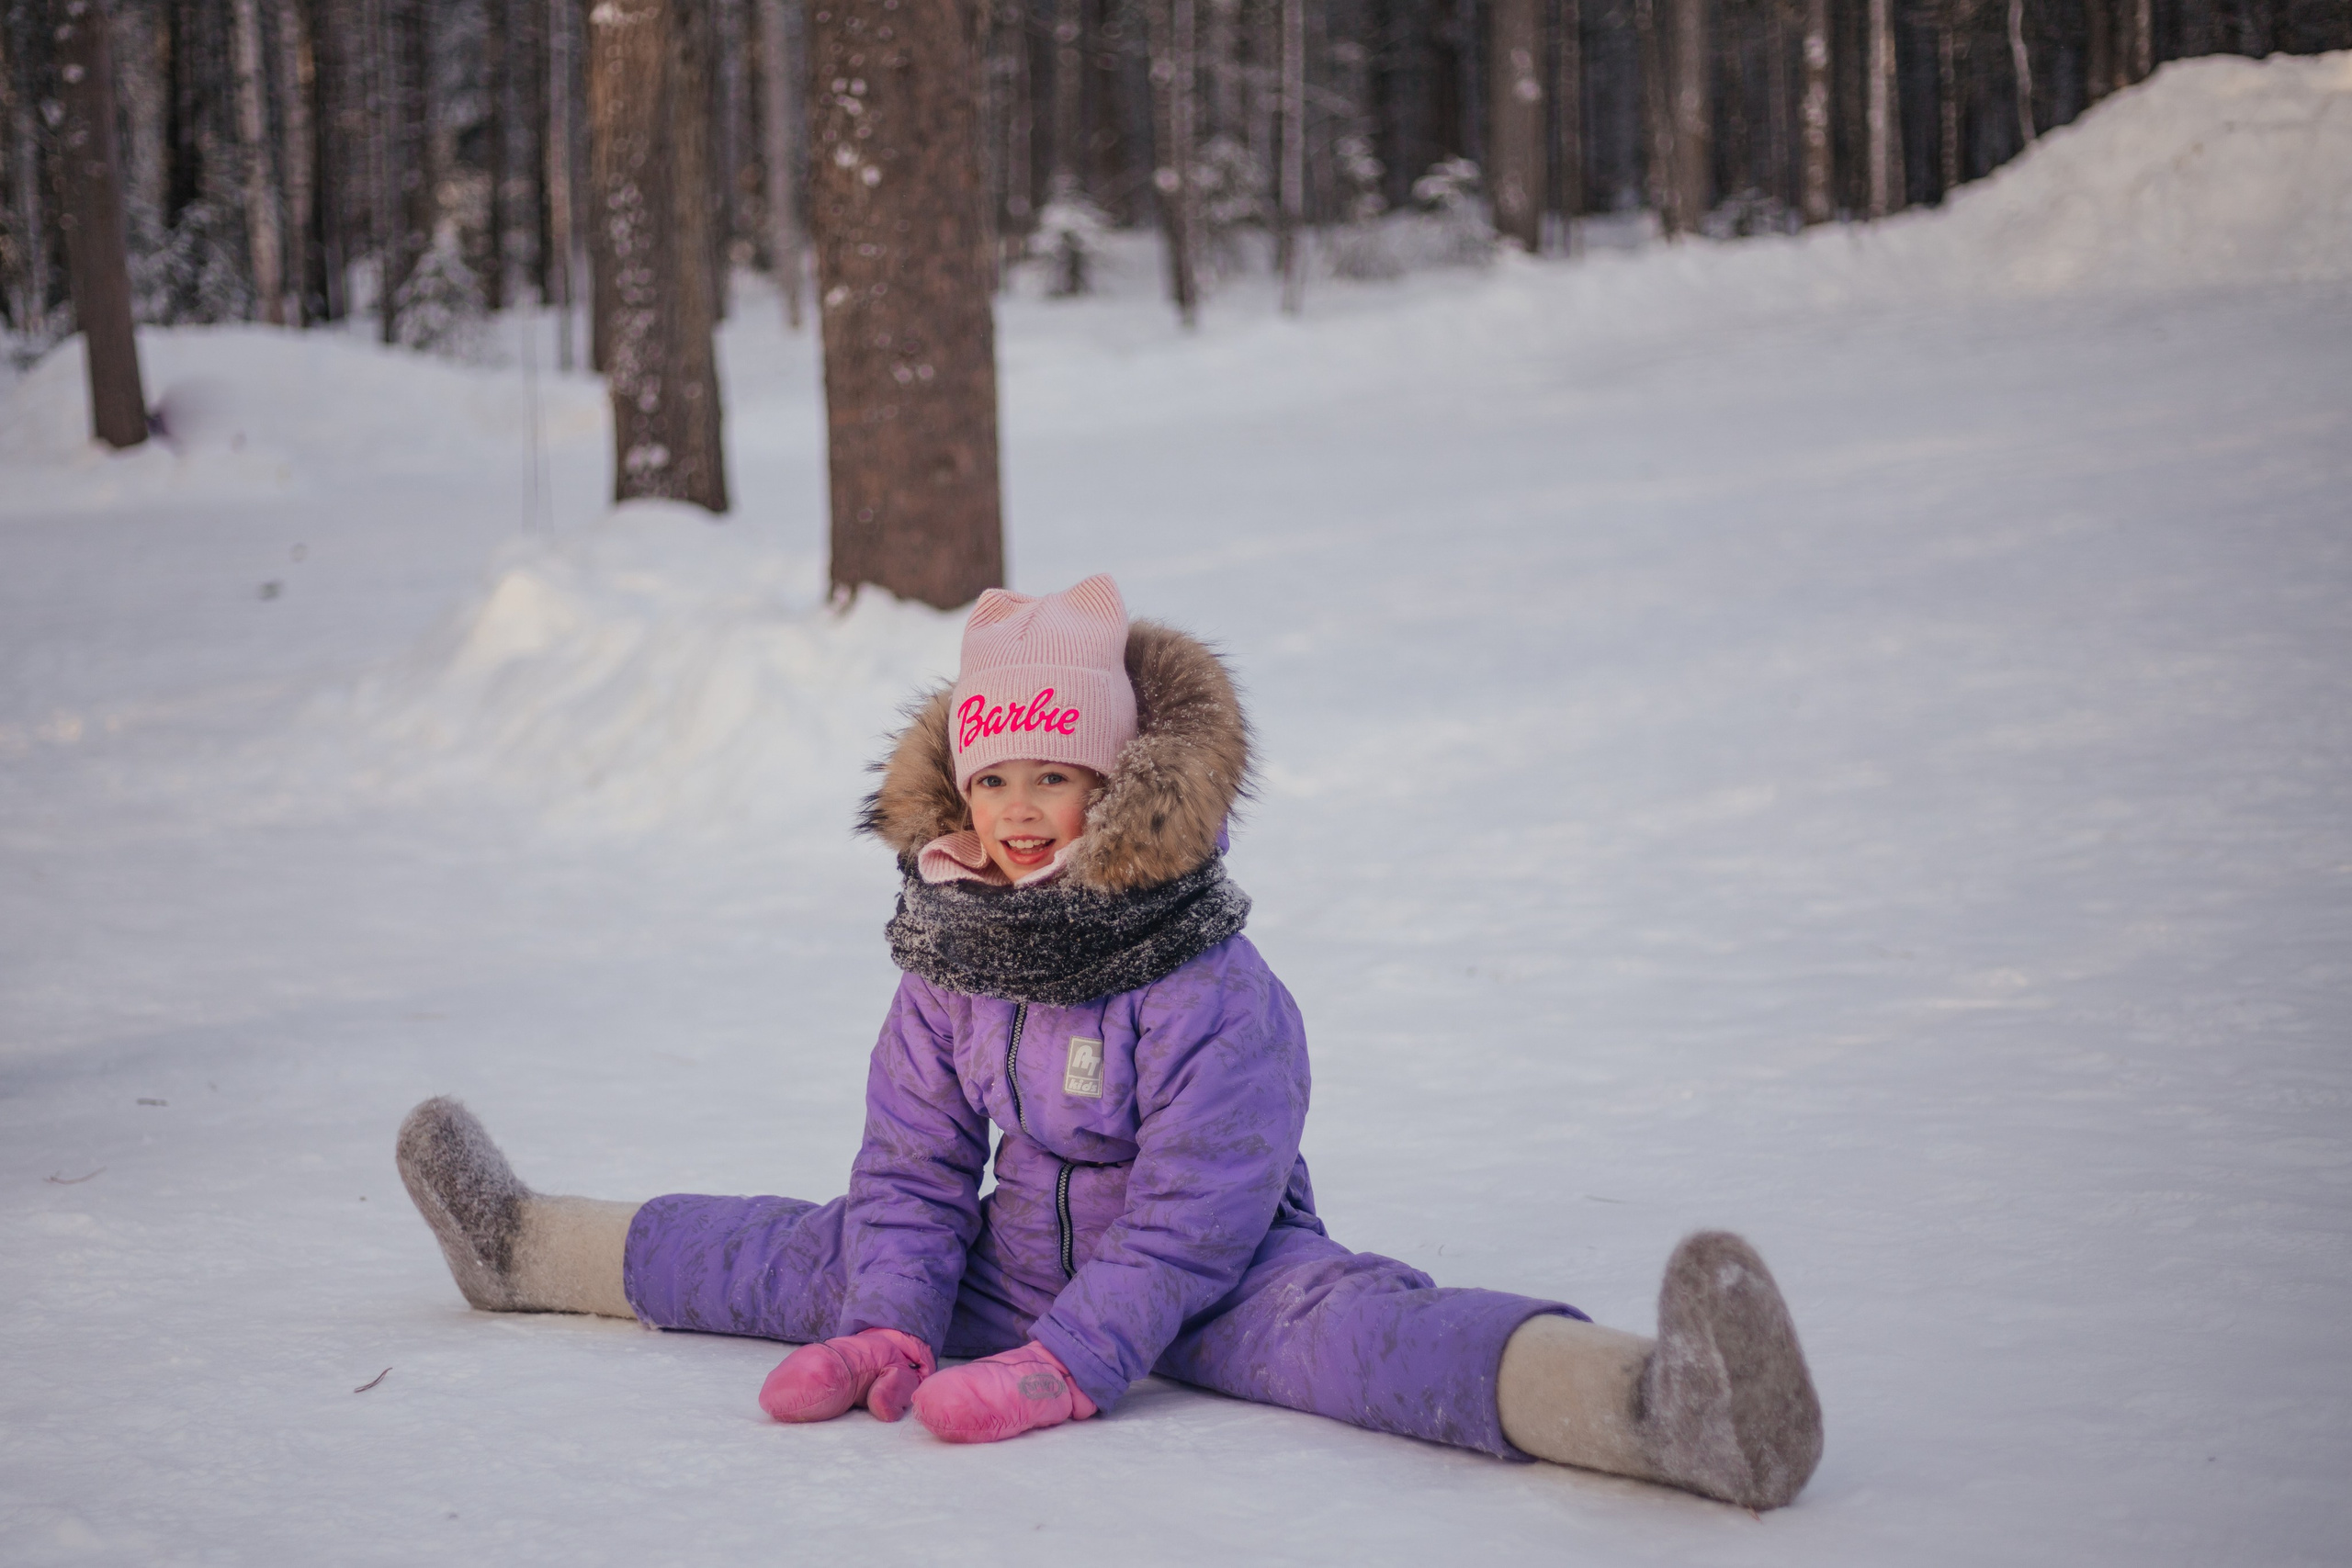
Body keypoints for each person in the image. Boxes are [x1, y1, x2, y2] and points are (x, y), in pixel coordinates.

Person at [396, 574, 1824, 1509]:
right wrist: (896, 1310)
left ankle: (1658, 1405)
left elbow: (1200, 1221)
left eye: (1059, 778)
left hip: (1218, 1282)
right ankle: (527, 1246)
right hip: (1013, 1269)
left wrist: (1070, 1363)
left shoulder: (1211, 988)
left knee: (1377, 1341)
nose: (1021, 811)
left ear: (1120, 779)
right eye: (996, 776)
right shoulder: (956, 955)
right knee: (800, 1255)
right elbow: (910, 1160)